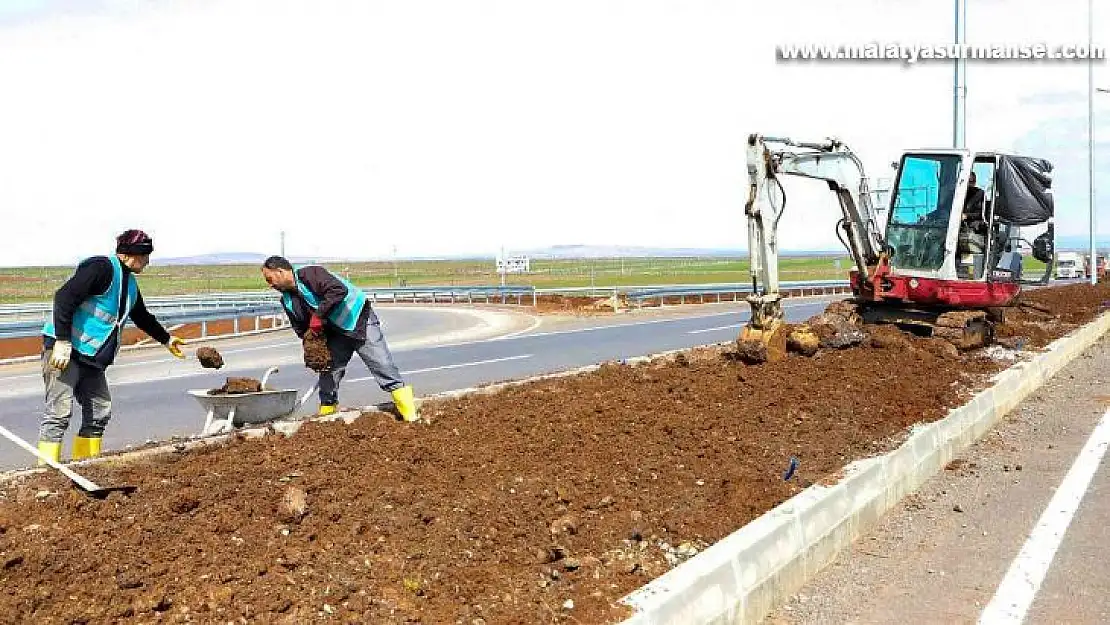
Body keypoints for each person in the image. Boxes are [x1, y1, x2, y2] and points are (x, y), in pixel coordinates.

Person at [38, 230, 186, 463]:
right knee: (59, 413)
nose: (147, 261)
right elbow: (64, 297)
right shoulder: (101, 268)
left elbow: (142, 316)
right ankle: (45, 475)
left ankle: (86, 466)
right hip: (65, 351)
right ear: (132, 254)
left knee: (99, 412)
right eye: (145, 255)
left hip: (92, 358)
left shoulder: (130, 285)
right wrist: (62, 341)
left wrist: (167, 339)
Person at [260, 255, 418, 421]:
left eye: (270, 279)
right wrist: (312, 344)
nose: (270, 285)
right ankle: (326, 417)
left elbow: (338, 290)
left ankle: (410, 415)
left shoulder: (310, 275)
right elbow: (300, 328)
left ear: (280, 271)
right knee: (329, 374)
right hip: (336, 333)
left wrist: (318, 316)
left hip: (358, 319)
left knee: (382, 364)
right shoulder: (287, 301)